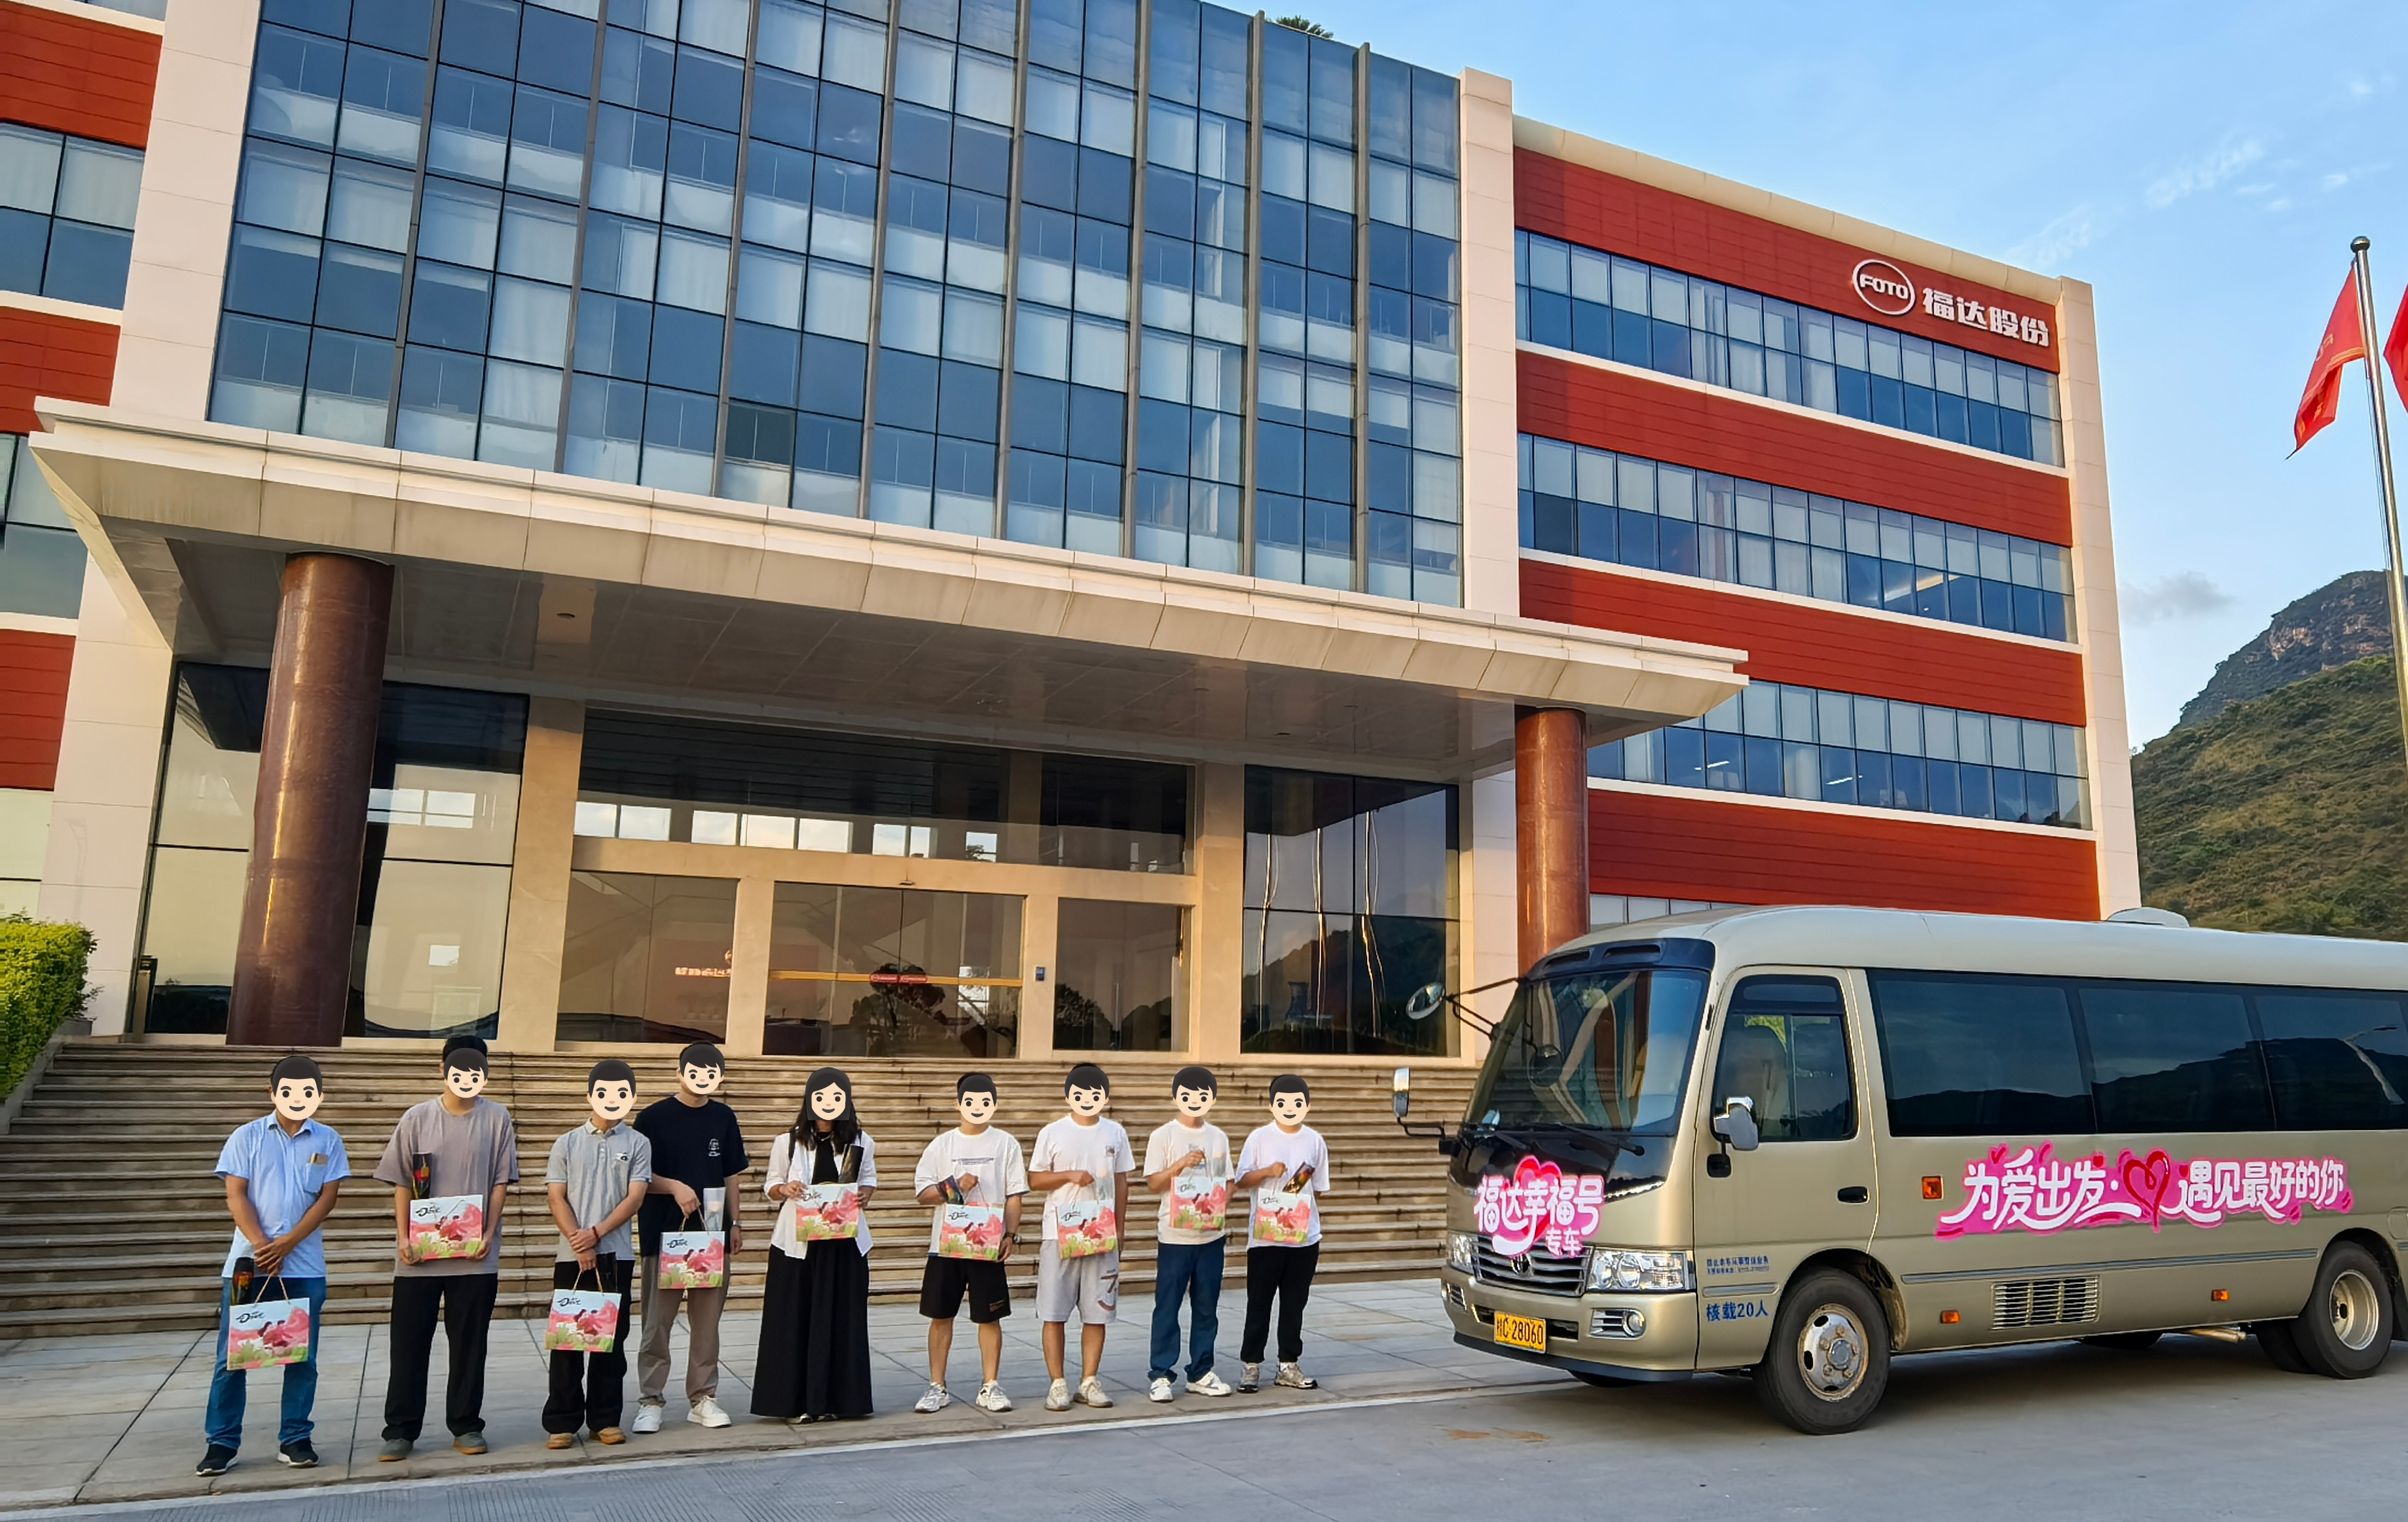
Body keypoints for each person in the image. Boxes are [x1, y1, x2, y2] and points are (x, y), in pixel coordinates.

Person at [194, 1055, 350, 1476]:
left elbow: (328, 1199)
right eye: (288, 1091)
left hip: (304, 1266)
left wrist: (289, 1244)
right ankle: (221, 1442)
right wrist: (264, 1245)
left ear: (319, 1096)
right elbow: (236, 1195)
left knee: (301, 1357)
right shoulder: (246, 1137)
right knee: (233, 1356)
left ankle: (295, 1437)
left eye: (307, 1091)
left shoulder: (328, 1140)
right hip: (250, 1264)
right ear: (272, 1093)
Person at [370, 1036, 519, 1461]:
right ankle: (400, 1430)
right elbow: (402, 1182)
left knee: (470, 1346)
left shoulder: (497, 1118)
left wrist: (488, 1233)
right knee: (408, 1345)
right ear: (443, 1068)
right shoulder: (417, 1118)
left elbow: (500, 1181)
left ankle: (466, 1424)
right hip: (419, 1257)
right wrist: (404, 1237)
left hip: (475, 1257)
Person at [631, 1042, 750, 1434]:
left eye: (711, 1072)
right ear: (680, 1073)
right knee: (657, 1324)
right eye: (695, 1071)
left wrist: (735, 1222)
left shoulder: (724, 1118)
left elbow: (731, 1174)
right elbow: (638, 1176)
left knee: (707, 1323)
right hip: (663, 1235)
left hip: (711, 1236)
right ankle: (651, 1399)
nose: (702, 1078)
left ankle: (703, 1397)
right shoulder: (653, 1118)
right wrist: (675, 1187)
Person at [753, 1068, 878, 1422]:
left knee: (842, 1321)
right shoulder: (788, 1142)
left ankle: (838, 1402)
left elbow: (868, 1179)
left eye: (837, 1098)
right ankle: (794, 1403)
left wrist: (866, 1193)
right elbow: (771, 1184)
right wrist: (785, 1189)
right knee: (793, 1320)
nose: (828, 1104)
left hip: (844, 1243)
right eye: (821, 1097)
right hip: (798, 1245)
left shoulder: (861, 1141)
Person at [542, 1060, 653, 1449]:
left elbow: (635, 1197)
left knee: (611, 1342)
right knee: (568, 1342)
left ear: (632, 1097)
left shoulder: (638, 1143)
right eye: (603, 1092)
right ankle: (562, 1421)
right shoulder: (567, 1143)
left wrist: (596, 1235)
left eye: (622, 1093)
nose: (612, 1099)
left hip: (615, 1255)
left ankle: (604, 1419)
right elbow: (556, 1196)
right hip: (571, 1255)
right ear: (590, 1096)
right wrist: (579, 1241)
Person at [911, 1072, 1028, 1414]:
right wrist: (955, 1186)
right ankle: (937, 1386)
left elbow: (1015, 1195)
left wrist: (1010, 1235)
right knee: (940, 1316)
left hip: (987, 1244)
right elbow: (923, 1194)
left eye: (985, 1102)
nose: (978, 1107)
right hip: (946, 1245)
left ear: (995, 1105)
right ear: (958, 1104)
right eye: (971, 1101)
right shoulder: (942, 1145)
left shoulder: (1006, 1144)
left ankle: (990, 1385)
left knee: (989, 1317)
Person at [1027, 1062, 1134, 1412]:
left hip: (1100, 1232)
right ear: (1069, 1096)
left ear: (1105, 1096)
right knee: (1054, 1311)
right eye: (1080, 1093)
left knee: (1097, 1312)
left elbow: (1122, 1182)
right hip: (1060, 1232)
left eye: (1095, 1093)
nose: (1088, 1098)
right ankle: (1058, 1383)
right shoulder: (1053, 1132)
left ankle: (1089, 1381)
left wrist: (1120, 1227)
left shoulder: (1115, 1133)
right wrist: (1070, 1175)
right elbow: (1035, 1180)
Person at [1142, 1066, 1235, 1403]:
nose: (1195, 1100)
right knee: (1167, 1307)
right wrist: (1180, 1165)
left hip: (1210, 1237)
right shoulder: (1163, 1136)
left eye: (1202, 1095)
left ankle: (1201, 1371)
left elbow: (1228, 1181)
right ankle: (1161, 1373)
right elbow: (1153, 1183)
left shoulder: (1219, 1137)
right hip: (1174, 1237)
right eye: (1188, 1095)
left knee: (1207, 1307)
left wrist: (1217, 1206)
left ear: (1212, 1099)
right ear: (1176, 1097)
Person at [1233, 1074, 1331, 1393]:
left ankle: (1288, 1364)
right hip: (1265, 1237)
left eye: (1297, 1103)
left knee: (1294, 1303)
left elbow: (1319, 1188)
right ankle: (1251, 1365)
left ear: (1307, 1106)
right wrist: (1267, 1172)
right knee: (1259, 1301)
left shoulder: (1314, 1141)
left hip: (1304, 1237)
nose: (1290, 1108)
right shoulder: (1259, 1139)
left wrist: (1297, 1193)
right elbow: (1241, 1181)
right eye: (1283, 1102)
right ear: (1272, 1105)